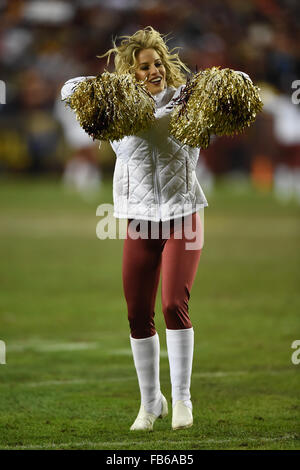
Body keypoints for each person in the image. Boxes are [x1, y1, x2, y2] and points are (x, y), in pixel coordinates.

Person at [61, 26, 256, 431]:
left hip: (183, 215)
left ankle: (182, 399)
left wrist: (232, 83)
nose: (153, 72)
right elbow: (69, 89)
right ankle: (151, 404)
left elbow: (241, 87)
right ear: (131, 73)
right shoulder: (116, 110)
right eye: (144, 67)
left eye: (157, 64)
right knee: (136, 313)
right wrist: (109, 88)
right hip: (138, 219)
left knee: (172, 306)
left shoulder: (189, 101)